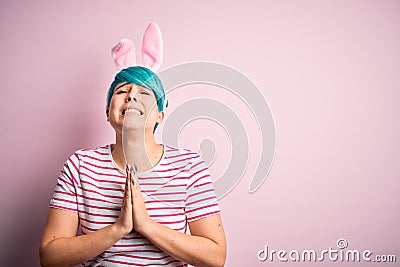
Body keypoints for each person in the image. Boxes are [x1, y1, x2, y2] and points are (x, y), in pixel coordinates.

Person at [39, 66, 227, 267]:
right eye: (121, 91)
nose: (131, 97)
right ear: (107, 112)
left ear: (160, 116)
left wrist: (146, 225)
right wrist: (118, 228)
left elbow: (215, 257)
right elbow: (49, 256)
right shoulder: (79, 166)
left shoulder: (189, 166)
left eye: (144, 93)